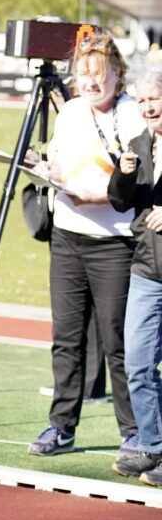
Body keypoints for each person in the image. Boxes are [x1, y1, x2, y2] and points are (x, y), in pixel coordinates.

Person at [27, 34, 142, 457]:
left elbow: (138, 181)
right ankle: (61, 426)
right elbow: (58, 159)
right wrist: (42, 168)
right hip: (67, 237)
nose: (90, 82)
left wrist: (96, 197)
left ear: (117, 74)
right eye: (83, 74)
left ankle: (134, 432)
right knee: (67, 338)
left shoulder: (132, 115)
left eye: (99, 74)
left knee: (118, 340)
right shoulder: (71, 111)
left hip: (115, 242)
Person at [107, 69, 162, 486]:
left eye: (155, 99)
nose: (148, 107)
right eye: (142, 101)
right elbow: (120, 202)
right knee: (138, 364)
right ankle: (155, 448)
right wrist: (123, 173)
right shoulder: (139, 144)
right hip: (147, 271)